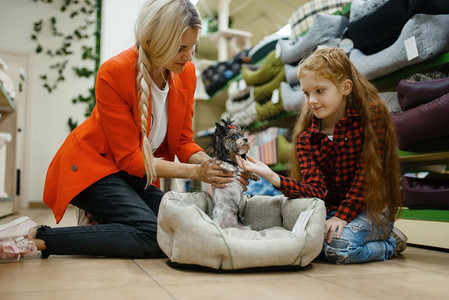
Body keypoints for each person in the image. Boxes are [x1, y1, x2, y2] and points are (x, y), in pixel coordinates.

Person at [0, 0, 247, 261]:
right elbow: (131, 159)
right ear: (155, 41)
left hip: (132, 176)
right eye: (180, 48)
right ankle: (35, 236)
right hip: (92, 169)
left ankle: (103, 221)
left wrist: (217, 169)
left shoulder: (186, 73)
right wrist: (196, 172)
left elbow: (184, 142)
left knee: (178, 222)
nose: (189, 57)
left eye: (193, 46)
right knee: (152, 234)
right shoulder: (114, 72)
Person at [236, 47, 407, 264]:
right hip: (331, 211)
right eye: (306, 93)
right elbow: (315, 190)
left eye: (320, 91)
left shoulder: (371, 117)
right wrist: (272, 176)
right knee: (302, 240)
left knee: (339, 248)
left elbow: (366, 177)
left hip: (369, 207)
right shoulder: (306, 137)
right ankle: (366, 237)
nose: (312, 101)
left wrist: (342, 216)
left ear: (345, 88)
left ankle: (389, 242)